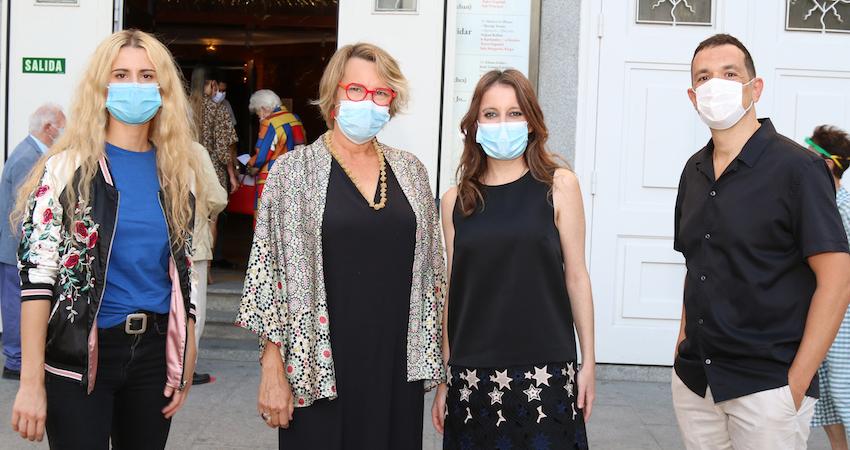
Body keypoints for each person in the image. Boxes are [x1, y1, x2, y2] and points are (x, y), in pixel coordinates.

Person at [236, 42, 445, 450]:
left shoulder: (412, 172)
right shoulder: (292, 173)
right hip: (316, 368)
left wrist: (443, 370)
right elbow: (268, 278)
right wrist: (272, 370)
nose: (368, 101)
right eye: (356, 90)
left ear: (392, 102)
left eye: (380, 93)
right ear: (334, 94)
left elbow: (434, 278)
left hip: (396, 371)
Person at [9, 29, 201, 448]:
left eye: (147, 76)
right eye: (122, 74)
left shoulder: (177, 174)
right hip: (80, 356)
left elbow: (183, 273)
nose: (135, 86)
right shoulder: (65, 170)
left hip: (153, 355)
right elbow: (37, 282)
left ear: (164, 88)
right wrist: (30, 382)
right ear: (102, 87)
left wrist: (186, 352)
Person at [672, 33, 850, 449]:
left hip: (768, 389)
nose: (715, 84)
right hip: (698, 382)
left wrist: (795, 385)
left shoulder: (800, 170)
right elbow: (695, 267)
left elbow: (838, 281)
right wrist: (681, 348)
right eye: (704, 77)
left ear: (756, 88)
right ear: (693, 96)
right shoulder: (692, 172)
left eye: (729, 73)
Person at [431, 69, 595, 449]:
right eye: (491, 114)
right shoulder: (456, 200)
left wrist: (588, 362)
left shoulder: (559, 185)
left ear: (532, 122)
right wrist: (445, 376)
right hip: (473, 376)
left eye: (514, 113)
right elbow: (454, 291)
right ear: (474, 124)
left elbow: (577, 276)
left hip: (546, 372)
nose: (502, 123)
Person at [0, 103, 66, 381]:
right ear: (49, 128)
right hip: (17, 248)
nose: (65, 131)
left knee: (17, 302)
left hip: (16, 248)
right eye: (62, 126)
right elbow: (27, 209)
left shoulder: (30, 152)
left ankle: (17, 358)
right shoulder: (29, 157)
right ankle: (15, 362)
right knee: (17, 304)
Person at [808, 125, 850, 450]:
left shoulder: (843, 206)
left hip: (842, 318)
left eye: (810, 155)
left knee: (842, 389)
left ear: (828, 163)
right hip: (813, 312)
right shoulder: (815, 201)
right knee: (824, 396)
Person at [188, 142, 228, 386]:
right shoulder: (193, 151)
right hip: (192, 242)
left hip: (153, 244)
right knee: (194, 308)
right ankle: (185, 367)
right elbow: (216, 197)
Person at [246, 89, 306, 215]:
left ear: (263, 109)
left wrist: (250, 166)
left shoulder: (270, 122)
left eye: (258, 113)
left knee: (266, 219)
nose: (259, 117)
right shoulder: (295, 118)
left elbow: (262, 156)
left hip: (271, 179)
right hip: (293, 177)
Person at [189, 67, 239, 194]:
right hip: (212, 169)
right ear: (213, 84)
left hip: (188, 168)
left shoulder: (183, 108)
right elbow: (223, 147)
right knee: (212, 209)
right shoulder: (219, 109)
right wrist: (232, 174)